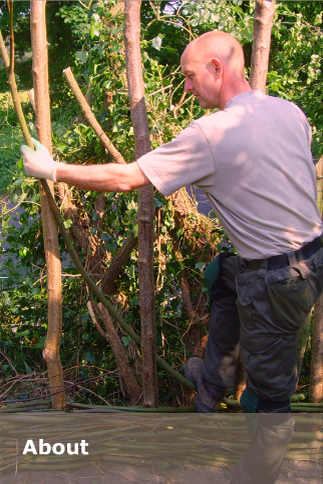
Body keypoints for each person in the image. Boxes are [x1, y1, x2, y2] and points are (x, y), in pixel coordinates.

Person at [21, 31, 322, 484]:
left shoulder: (212, 133)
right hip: (307, 258)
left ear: (217, 69)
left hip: (279, 280)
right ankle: (213, 383)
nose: (185, 87)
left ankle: (255, 462)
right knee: (224, 275)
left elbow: (126, 178)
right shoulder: (288, 111)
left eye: (188, 75)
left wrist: (54, 170)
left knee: (270, 403)